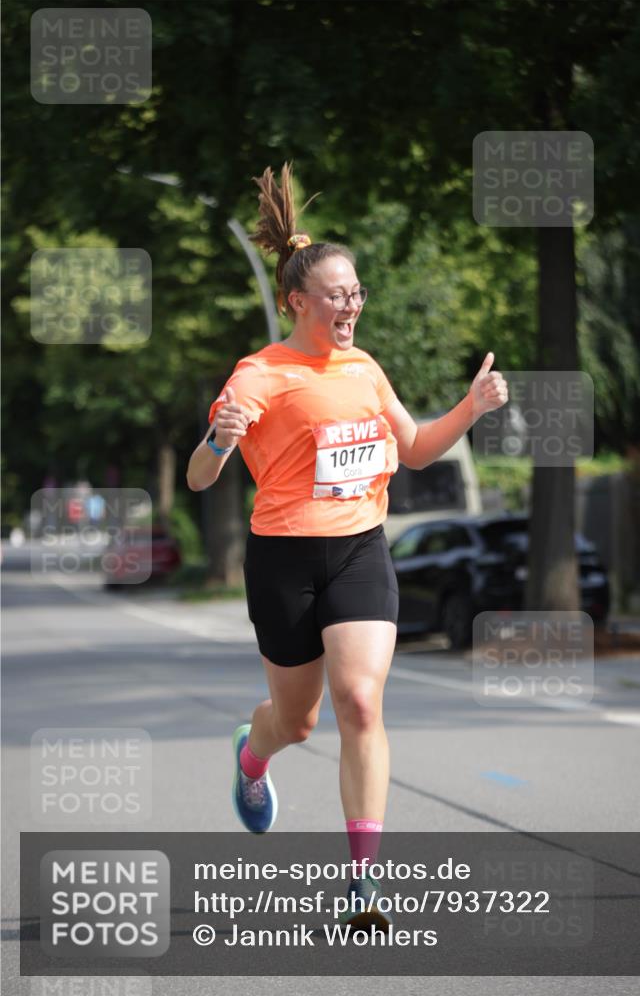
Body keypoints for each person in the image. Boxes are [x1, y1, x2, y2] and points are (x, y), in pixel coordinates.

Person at [186, 162, 508, 930]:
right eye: (337, 294)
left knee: (360, 701)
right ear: (298, 301)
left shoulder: (364, 369)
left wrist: (468, 405)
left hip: (360, 550)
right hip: (283, 560)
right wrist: (219, 440)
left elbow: (417, 451)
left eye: (356, 292)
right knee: (295, 722)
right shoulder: (259, 374)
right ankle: (252, 754)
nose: (351, 305)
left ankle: (362, 882)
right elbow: (201, 477)